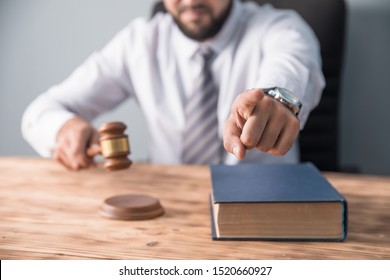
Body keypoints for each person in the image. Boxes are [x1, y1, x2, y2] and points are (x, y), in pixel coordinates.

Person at [22, 0, 325, 170]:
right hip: (169, 211)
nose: (192, 1)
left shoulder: (281, 26)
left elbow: (294, 66)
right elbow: (41, 112)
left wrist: (277, 99)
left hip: (264, 207)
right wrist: (63, 129)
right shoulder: (139, 42)